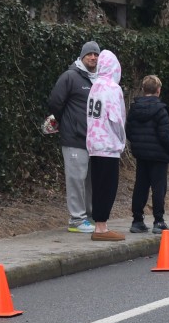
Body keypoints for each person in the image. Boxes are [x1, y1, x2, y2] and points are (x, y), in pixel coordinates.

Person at [48, 41, 99, 233]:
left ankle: (89, 216)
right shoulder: (70, 76)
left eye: (96, 54)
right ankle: (76, 220)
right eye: (89, 54)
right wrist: (67, 123)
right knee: (76, 179)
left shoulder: (98, 79)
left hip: (93, 140)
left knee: (90, 180)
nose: (93, 57)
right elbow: (55, 102)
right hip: (74, 138)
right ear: (82, 56)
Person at [125, 75, 169, 234]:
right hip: (159, 154)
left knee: (140, 186)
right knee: (158, 187)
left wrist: (137, 144)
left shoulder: (134, 108)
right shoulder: (161, 110)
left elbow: (128, 130)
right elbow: (164, 134)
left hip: (141, 153)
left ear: (143, 89)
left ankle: (137, 219)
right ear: (158, 90)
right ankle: (158, 220)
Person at [85, 49, 126, 241]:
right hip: (108, 144)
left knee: (97, 185)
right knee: (108, 186)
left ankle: (99, 224)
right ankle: (101, 227)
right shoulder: (113, 88)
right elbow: (116, 118)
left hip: (94, 143)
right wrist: (121, 140)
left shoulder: (95, 86)